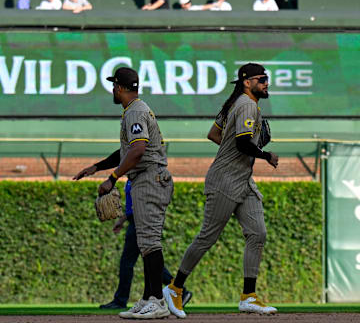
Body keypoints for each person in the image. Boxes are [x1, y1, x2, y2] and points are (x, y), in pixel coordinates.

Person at [163, 63, 279, 318]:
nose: (266, 83)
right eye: (262, 79)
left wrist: (236, 146)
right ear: (247, 82)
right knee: (207, 237)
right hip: (225, 180)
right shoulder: (247, 105)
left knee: (257, 233)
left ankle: (249, 296)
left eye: (267, 78)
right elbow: (241, 143)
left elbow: (215, 134)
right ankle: (174, 288)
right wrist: (265, 154)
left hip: (243, 181)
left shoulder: (235, 103)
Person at [74, 67, 175, 319]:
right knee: (145, 243)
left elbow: (138, 150)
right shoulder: (134, 110)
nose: (112, 90)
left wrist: (112, 178)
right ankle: (148, 297)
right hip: (147, 178)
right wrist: (97, 167)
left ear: (119, 87)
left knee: (150, 242)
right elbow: (128, 151)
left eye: (113, 86)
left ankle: (158, 301)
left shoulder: (136, 112)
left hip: (150, 178)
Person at [73, 175, 192, 310]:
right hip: (134, 221)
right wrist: (122, 220)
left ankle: (120, 300)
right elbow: (133, 205)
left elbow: (146, 202)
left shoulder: (141, 177)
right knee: (150, 262)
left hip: (141, 222)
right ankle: (179, 291)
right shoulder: (131, 178)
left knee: (128, 263)